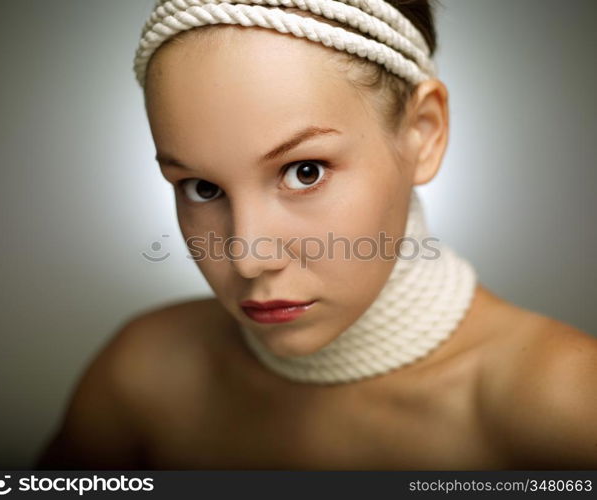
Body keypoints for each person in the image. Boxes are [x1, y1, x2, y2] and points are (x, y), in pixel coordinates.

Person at [36, 0, 597, 470]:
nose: (250, 258)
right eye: (202, 187)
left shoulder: (566, 406)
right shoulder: (141, 376)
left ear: (423, 133)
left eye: (305, 171)